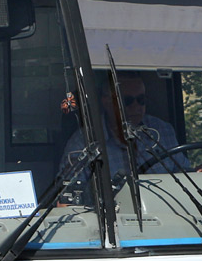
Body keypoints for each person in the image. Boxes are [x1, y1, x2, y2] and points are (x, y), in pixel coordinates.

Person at [60, 73, 189, 180]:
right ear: (106, 101)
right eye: (127, 101)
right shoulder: (84, 142)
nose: (136, 107)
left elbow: (183, 172)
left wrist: (197, 174)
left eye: (141, 100)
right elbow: (68, 196)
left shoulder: (162, 130)